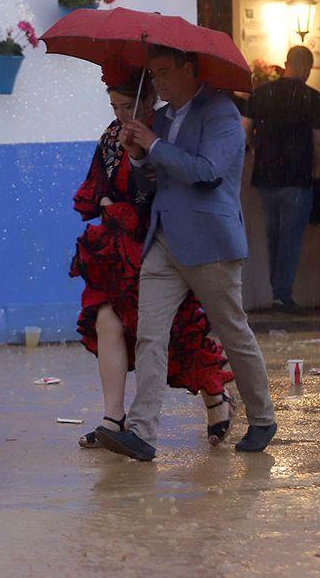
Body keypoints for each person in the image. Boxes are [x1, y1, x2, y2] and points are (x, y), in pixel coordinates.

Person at [96, 45, 278, 461]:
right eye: (153, 74)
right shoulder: (159, 118)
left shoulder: (221, 114)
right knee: (150, 334)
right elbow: (152, 181)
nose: (157, 83)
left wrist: (154, 145)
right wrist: (139, 156)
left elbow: (206, 171)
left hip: (210, 241)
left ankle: (263, 416)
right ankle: (142, 432)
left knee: (233, 331)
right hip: (164, 238)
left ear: (188, 69)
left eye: (163, 73)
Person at [70, 59, 235, 450]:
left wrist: (144, 154)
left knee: (168, 334)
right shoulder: (110, 138)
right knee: (107, 320)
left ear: (148, 101)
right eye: (114, 108)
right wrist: (108, 200)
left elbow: (176, 187)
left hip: (159, 246)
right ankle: (113, 418)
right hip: (116, 250)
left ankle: (216, 396)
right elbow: (95, 188)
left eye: (127, 107)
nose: (120, 116)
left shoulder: (165, 132)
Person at [247, 45, 320, 309]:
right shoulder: (313, 98)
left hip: (266, 176)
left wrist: (257, 147)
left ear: (286, 63)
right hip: (297, 177)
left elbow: (243, 131)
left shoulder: (261, 94)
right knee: (291, 238)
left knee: (273, 235)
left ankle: (275, 291)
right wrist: (312, 164)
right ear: (306, 67)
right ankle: (282, 294)